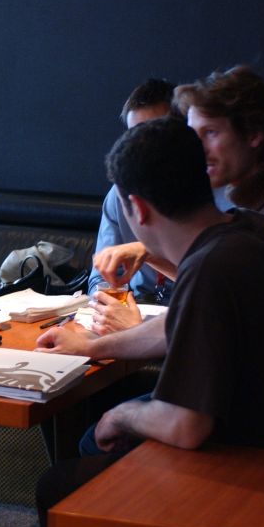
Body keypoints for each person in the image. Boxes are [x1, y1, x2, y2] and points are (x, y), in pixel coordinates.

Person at [35, 117, 264, 527]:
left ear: (137, 209)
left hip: (263, 465)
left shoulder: (213, 267)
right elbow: (184, 323)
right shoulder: (249, 230)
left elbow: (186, 426)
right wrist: (91, 347)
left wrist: (121, 414)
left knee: (59, 487)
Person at [94, 65, 264, 287]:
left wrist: (130, 326)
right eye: (193, 134)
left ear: (253, 134)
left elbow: (218, 303)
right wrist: (149, 252)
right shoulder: (262, 202)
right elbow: (212, 289)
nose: (195, 147)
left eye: (210, 133)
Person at [87, 79, 176, 336]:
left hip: (181, 314)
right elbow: (98, 279)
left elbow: (208, 285)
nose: (142, 149)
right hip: (137, 307)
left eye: (153, 134)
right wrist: (112, 307)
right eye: (134, 136)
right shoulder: (120, 195)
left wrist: (148, 252)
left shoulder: (211, 195)